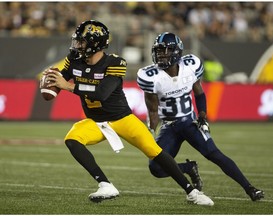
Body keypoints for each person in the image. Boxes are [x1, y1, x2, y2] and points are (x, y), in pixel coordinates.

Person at [42, 20, 214, 206]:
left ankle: (192, 192)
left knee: (155, 152)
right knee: (72, 139)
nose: (77, 45)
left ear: (95, 44)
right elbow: (57, 80)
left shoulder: (115, 62)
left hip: (122, 119)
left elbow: (101, 93)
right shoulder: (74, 60)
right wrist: (50, 80)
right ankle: (105, 184)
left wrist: (67, 86)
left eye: (82, 42)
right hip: (96, 121)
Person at [137, 32, 265, 202]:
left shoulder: (190, 66)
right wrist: (150, 133)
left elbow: (199, 93)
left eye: (166, 50)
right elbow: (153, 111)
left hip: (189, 122)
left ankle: (250, 189)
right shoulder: (151, 77)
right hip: (169, 127)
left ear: (176, 51)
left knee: (214, 154)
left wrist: (203, 116)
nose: (161, 54)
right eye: (159, 51)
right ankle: (188, 168)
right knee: (156, 168)